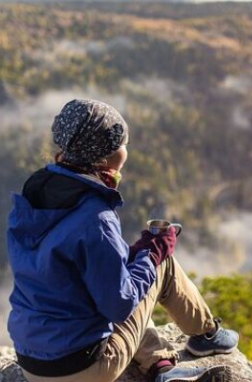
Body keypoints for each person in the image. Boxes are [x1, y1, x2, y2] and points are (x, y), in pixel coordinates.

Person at [7, 99, 238, 382]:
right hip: (81, 369)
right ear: (105, 155)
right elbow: (119, 305)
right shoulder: (96, 218)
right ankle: (206, 336)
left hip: (33, 361)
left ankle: (161, 366)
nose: (126, 150)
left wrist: (136, 256)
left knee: (132, 269)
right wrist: (153, 252)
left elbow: (72, 271)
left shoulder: (35, 195)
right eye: (123, 143)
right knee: (161, 266)